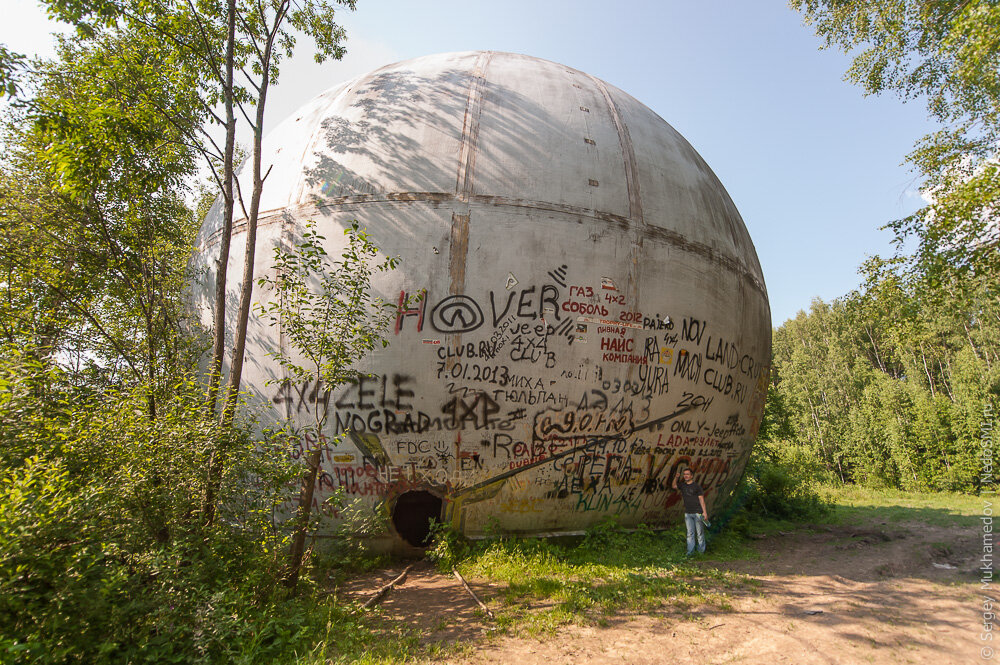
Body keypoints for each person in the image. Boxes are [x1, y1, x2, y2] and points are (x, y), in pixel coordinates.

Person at [672, 467, 708, 555]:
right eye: (684, 474)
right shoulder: (683, 485)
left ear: (691, 476)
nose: (686, 476)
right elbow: (674, 486)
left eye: (687, 474)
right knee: (690, 533)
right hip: (688, 513)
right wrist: (676, 477)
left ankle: (701, 552)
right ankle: (690, 552)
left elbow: (701, 500)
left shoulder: (697, 486)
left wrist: (705, 512)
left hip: (698, 513)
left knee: (699, 533)